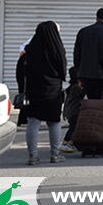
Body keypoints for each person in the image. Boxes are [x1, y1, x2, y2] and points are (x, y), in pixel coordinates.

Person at [70, 8, 103, 155]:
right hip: (102, 78)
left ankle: (86, 146)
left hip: (85, 76)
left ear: (96, 18)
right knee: (100, 112)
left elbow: (76, 56)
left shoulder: (83, 32)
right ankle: (97, 145)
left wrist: (79, 77)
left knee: (88, 110)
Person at [19, 21, 68, 165]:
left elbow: (21, 70)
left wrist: (23, 87)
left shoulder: (30, 49)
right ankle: (55, 154)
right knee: (54, 122)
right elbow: (62, 69)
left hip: (34, 90)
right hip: (52, 90)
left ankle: (33, 156)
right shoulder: (57, 48)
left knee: (33, 122)